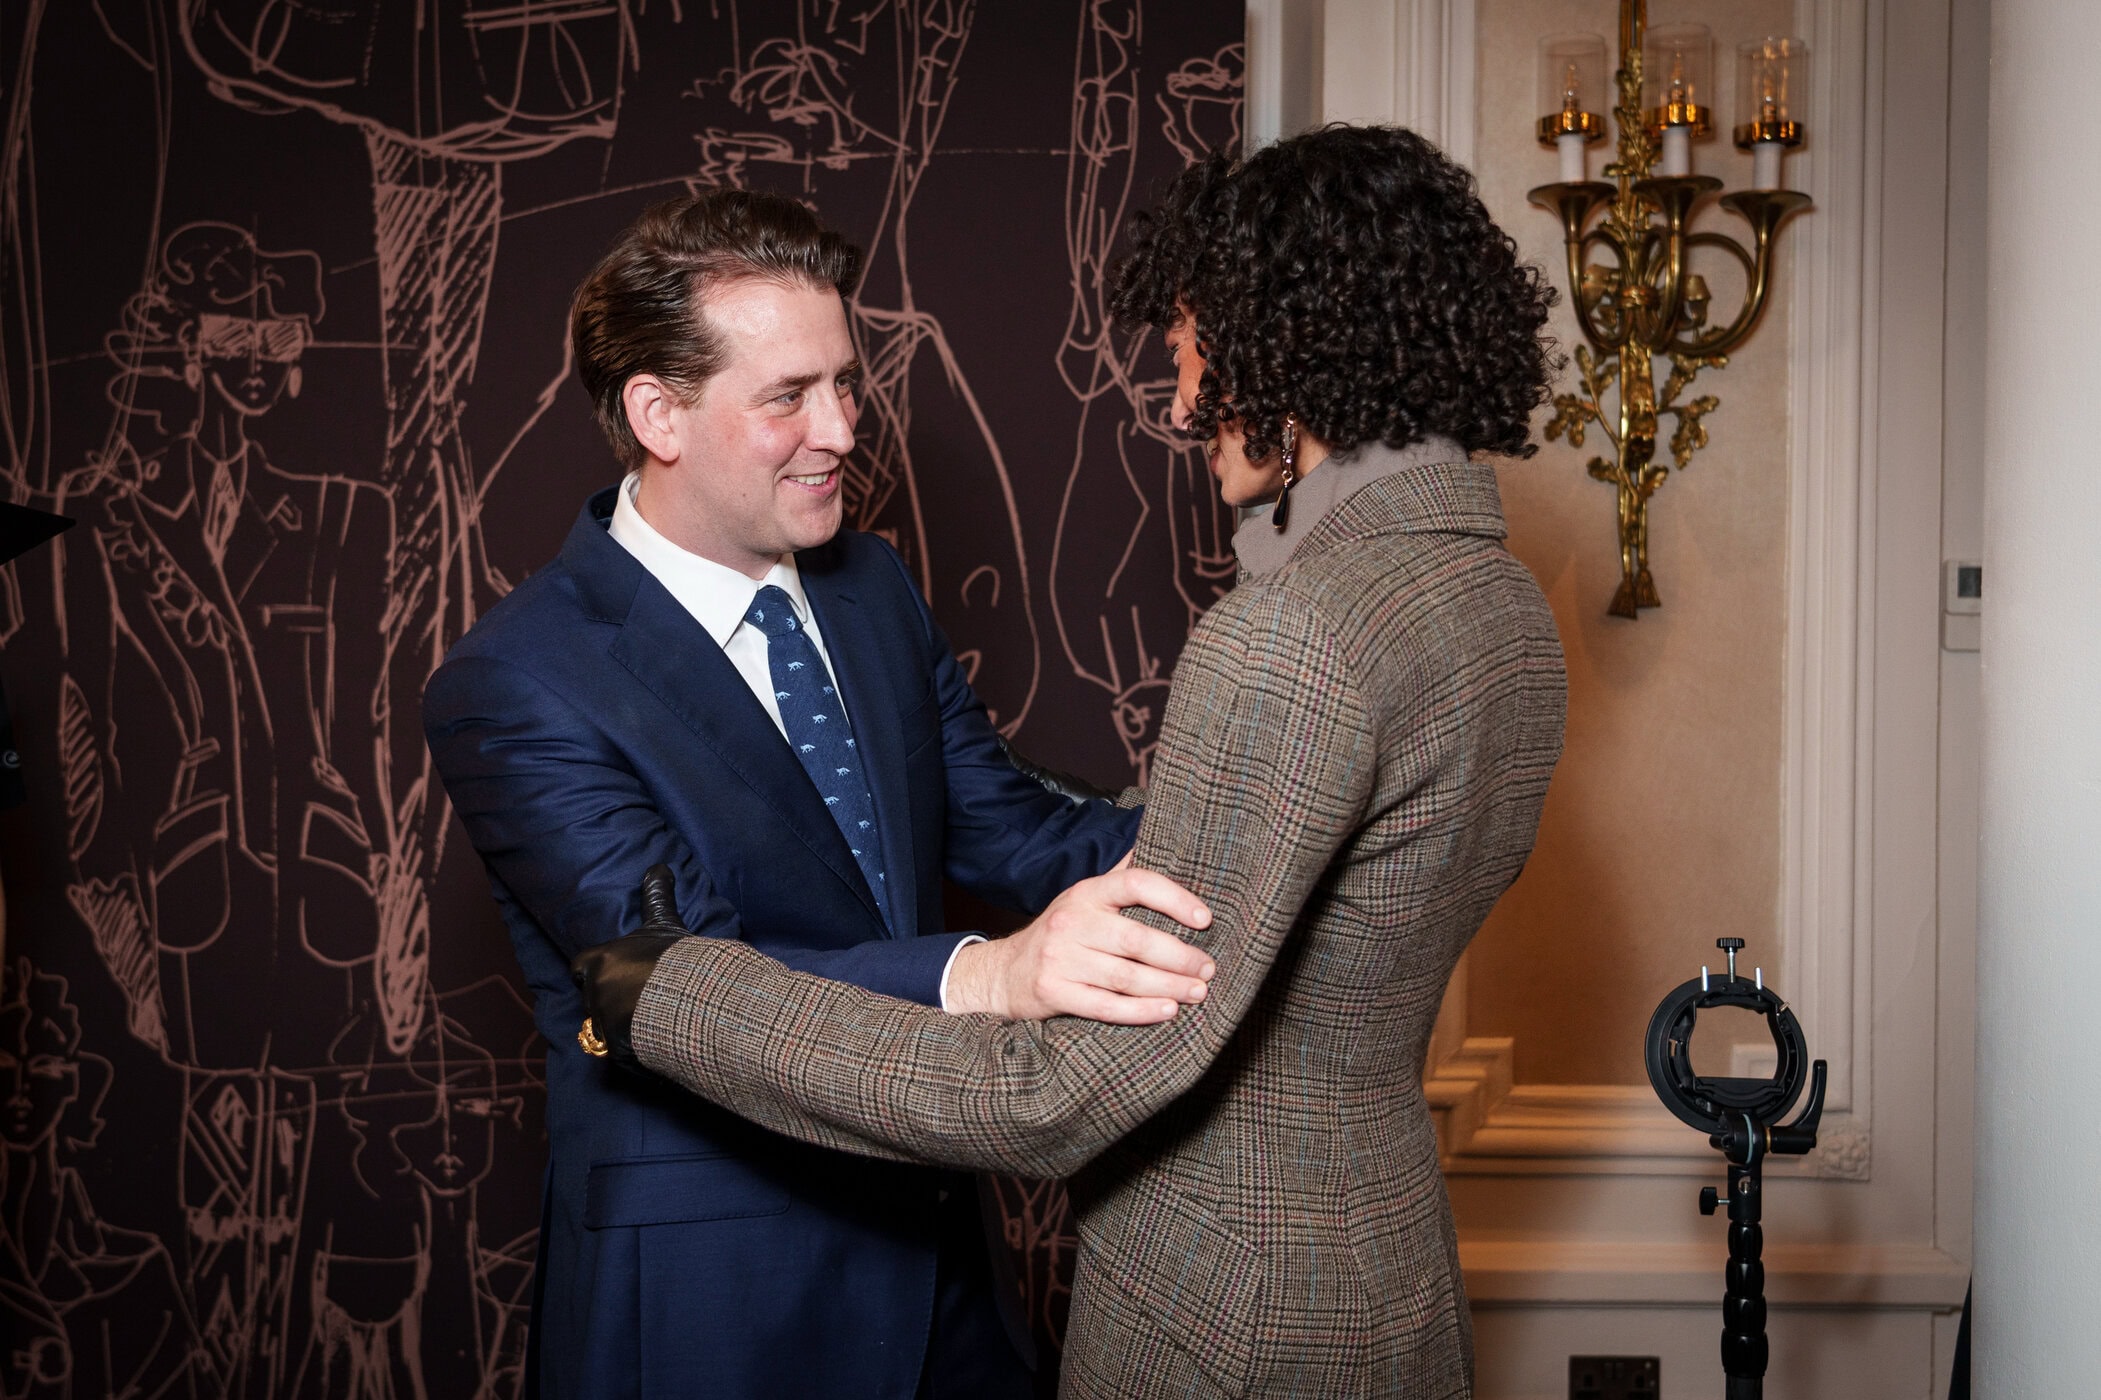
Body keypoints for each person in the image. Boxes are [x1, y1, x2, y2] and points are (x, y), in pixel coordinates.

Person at [574, 124, 1568, 1399]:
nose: (1181, 404)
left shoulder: (1293, 633)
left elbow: (1057, 1092)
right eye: (788, 393)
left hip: (1230, 1306)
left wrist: (682, 998)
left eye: (1190, 348)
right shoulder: (1498, 600)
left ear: (1285, 339)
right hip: (1383, 1260)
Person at [420, 191, 1217, 1400]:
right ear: (657, 413)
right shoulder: (517, 678)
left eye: (845, 383)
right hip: (719, 1300)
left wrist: (1277, 819)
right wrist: (984, 974)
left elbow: (1014, 829)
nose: (842, 429)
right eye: (788, 396)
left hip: (945, 1270)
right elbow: (675, 976)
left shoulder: (869, 585)